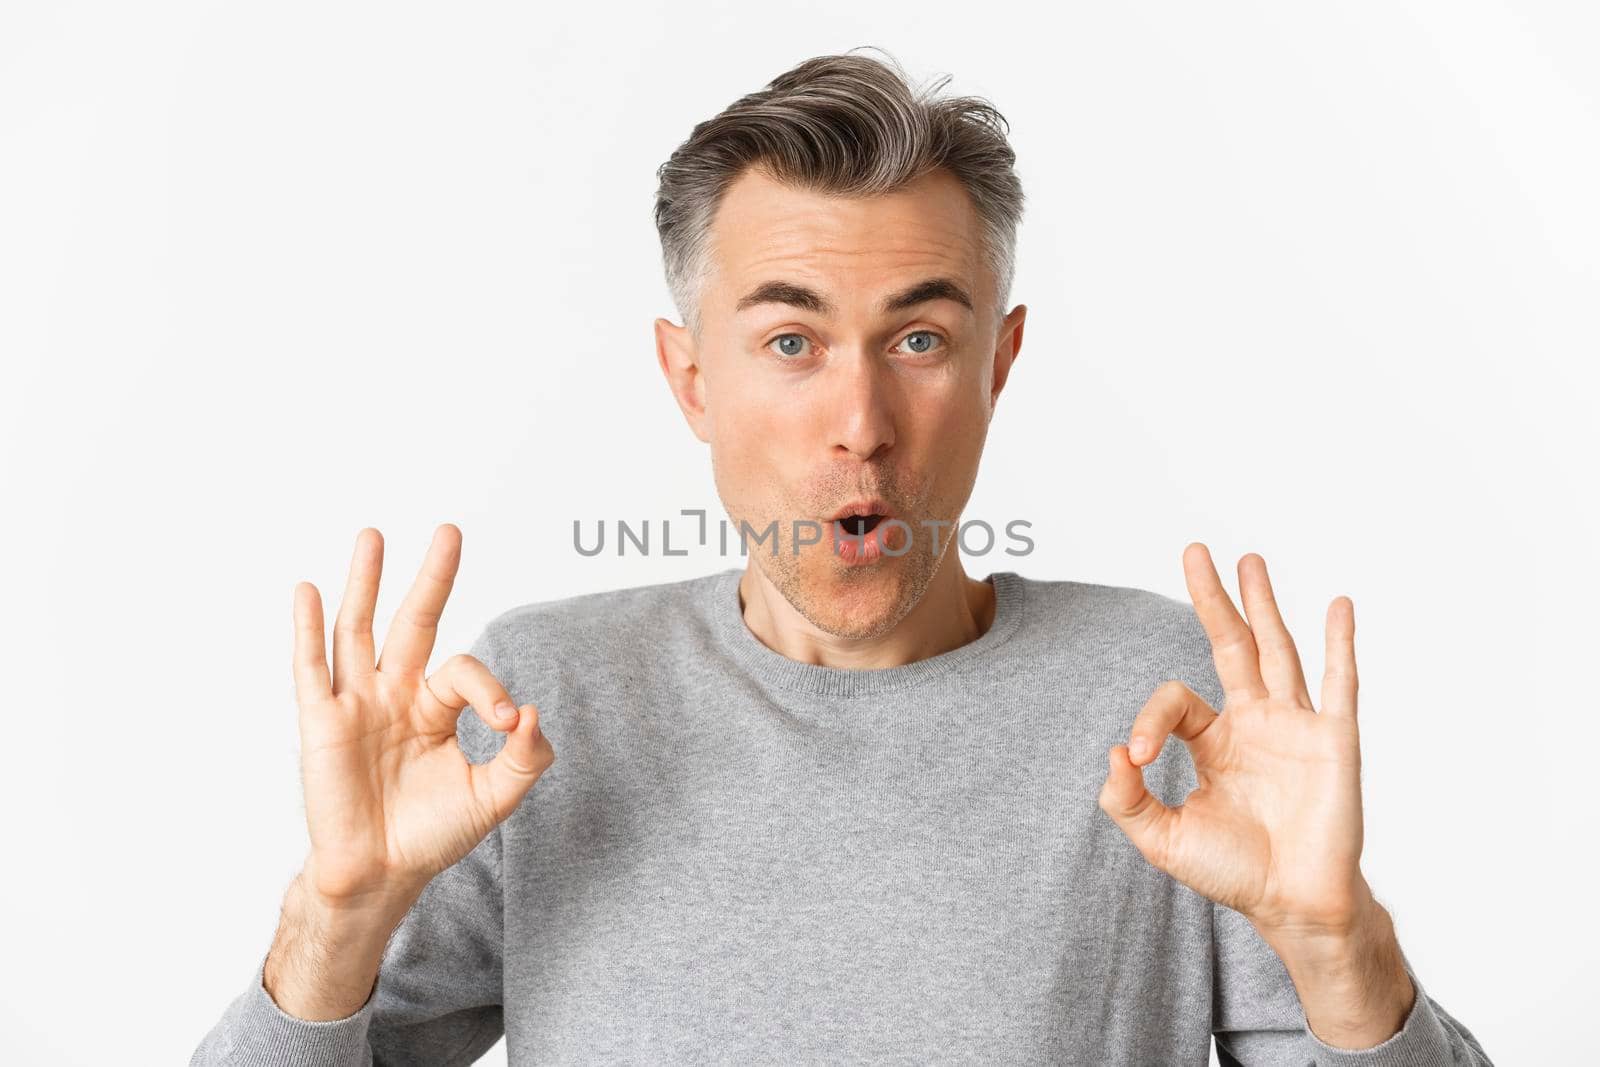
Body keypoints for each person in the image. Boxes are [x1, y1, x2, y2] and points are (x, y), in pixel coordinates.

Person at [191, 48, 1493, 1065]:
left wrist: (1338, 944)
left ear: (1001, 363)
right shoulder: (538, 701)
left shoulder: (1169, 703)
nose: (860, 426)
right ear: (690, 378)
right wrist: (337, 914)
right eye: (791, 343)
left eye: (920, 340)